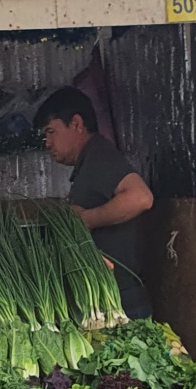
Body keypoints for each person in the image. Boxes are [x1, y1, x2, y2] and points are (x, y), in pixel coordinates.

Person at [35, 87, 156, 319]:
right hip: (111, 297)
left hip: (124, 300)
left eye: (51, 132)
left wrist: (86, 219)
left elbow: (141, 197)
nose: (47, 143)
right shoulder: (89, 162)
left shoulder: (100, 156)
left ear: (77, 124)